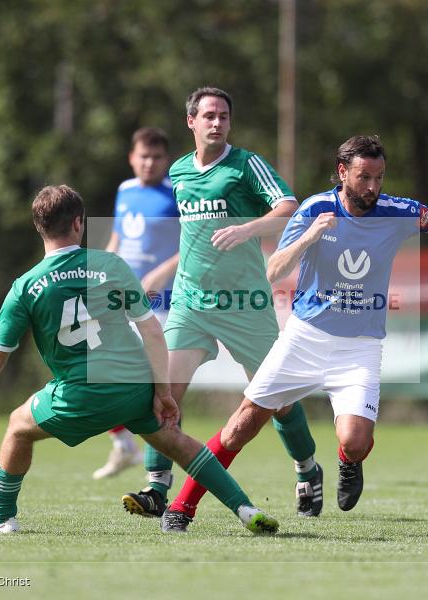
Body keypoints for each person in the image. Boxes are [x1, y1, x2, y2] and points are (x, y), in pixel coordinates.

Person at [0, 184, 278, 535]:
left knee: (18, 427)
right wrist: (162, 393)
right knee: (179, 444)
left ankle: (2, 519)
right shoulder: (111, 265)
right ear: (79, 223)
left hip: (79, 396)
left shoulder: (26, 286)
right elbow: (153, 333)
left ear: (38, 227)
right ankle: (245, 508)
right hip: (133, 390)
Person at [162, 135, 428, 524]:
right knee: (240, 426)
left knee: (355, 441)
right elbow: (272, 269)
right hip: (304, 338)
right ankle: (181, 506)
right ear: (343, 172)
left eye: (379, 177)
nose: (373, 187)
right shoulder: (315, 209)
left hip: (359, 346)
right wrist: (309, 237)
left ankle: (348, 461)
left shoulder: (397, 211)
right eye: (364, 177)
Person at [120, 87, 322, 531]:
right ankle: (157, 488)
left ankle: (307, 469)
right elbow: (191, 233)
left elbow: (288, 209)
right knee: (163, 393)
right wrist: (162, 274)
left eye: (224, 116)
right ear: (190, 121)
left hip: (244, 302)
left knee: (277, 400)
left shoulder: (246, 164)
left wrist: (247, 228)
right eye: (209, 115)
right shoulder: (178, 172)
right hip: (191, 301)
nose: (217, 122)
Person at [92, 127, 180, 480]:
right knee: (99, 368)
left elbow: (191, 245)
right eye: (143, 156)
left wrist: (159, 275)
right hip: (122, 298)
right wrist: (101, 272)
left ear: (166, 160)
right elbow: (118, 236)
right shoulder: (125, 191)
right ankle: (124, 444)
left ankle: (158, 471)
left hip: (163, 301)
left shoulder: (176, 193)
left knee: (157, 383)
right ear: (132, 157)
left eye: (157, 157)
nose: (149, 163)